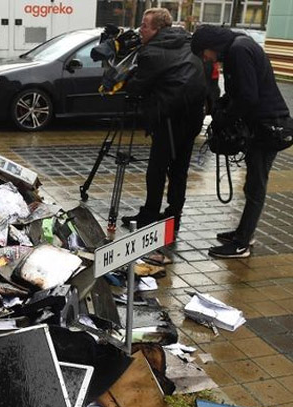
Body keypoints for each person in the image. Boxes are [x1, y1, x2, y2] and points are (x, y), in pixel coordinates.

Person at [192, 25, 290, 258]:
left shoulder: (239, 50)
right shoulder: (238, 46)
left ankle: (242, 243)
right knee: (252, 183)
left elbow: (247, 96)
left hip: (268, 127)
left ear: (211, 46)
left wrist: (226, 117)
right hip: (263, 125)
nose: (205, 59)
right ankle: (244, 232)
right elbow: (241, 92)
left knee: (256, 185)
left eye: (204, 53)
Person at [121, 8, 206, 232]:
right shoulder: (189, 41)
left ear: (158, 29)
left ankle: (149, 215)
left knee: (157, 169)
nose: (140, 29)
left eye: (145, 25)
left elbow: (137, 87)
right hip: (193, 116)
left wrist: (125, 78)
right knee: (179, 169)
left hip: (169, 118)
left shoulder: (152, 52)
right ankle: (174, 215)